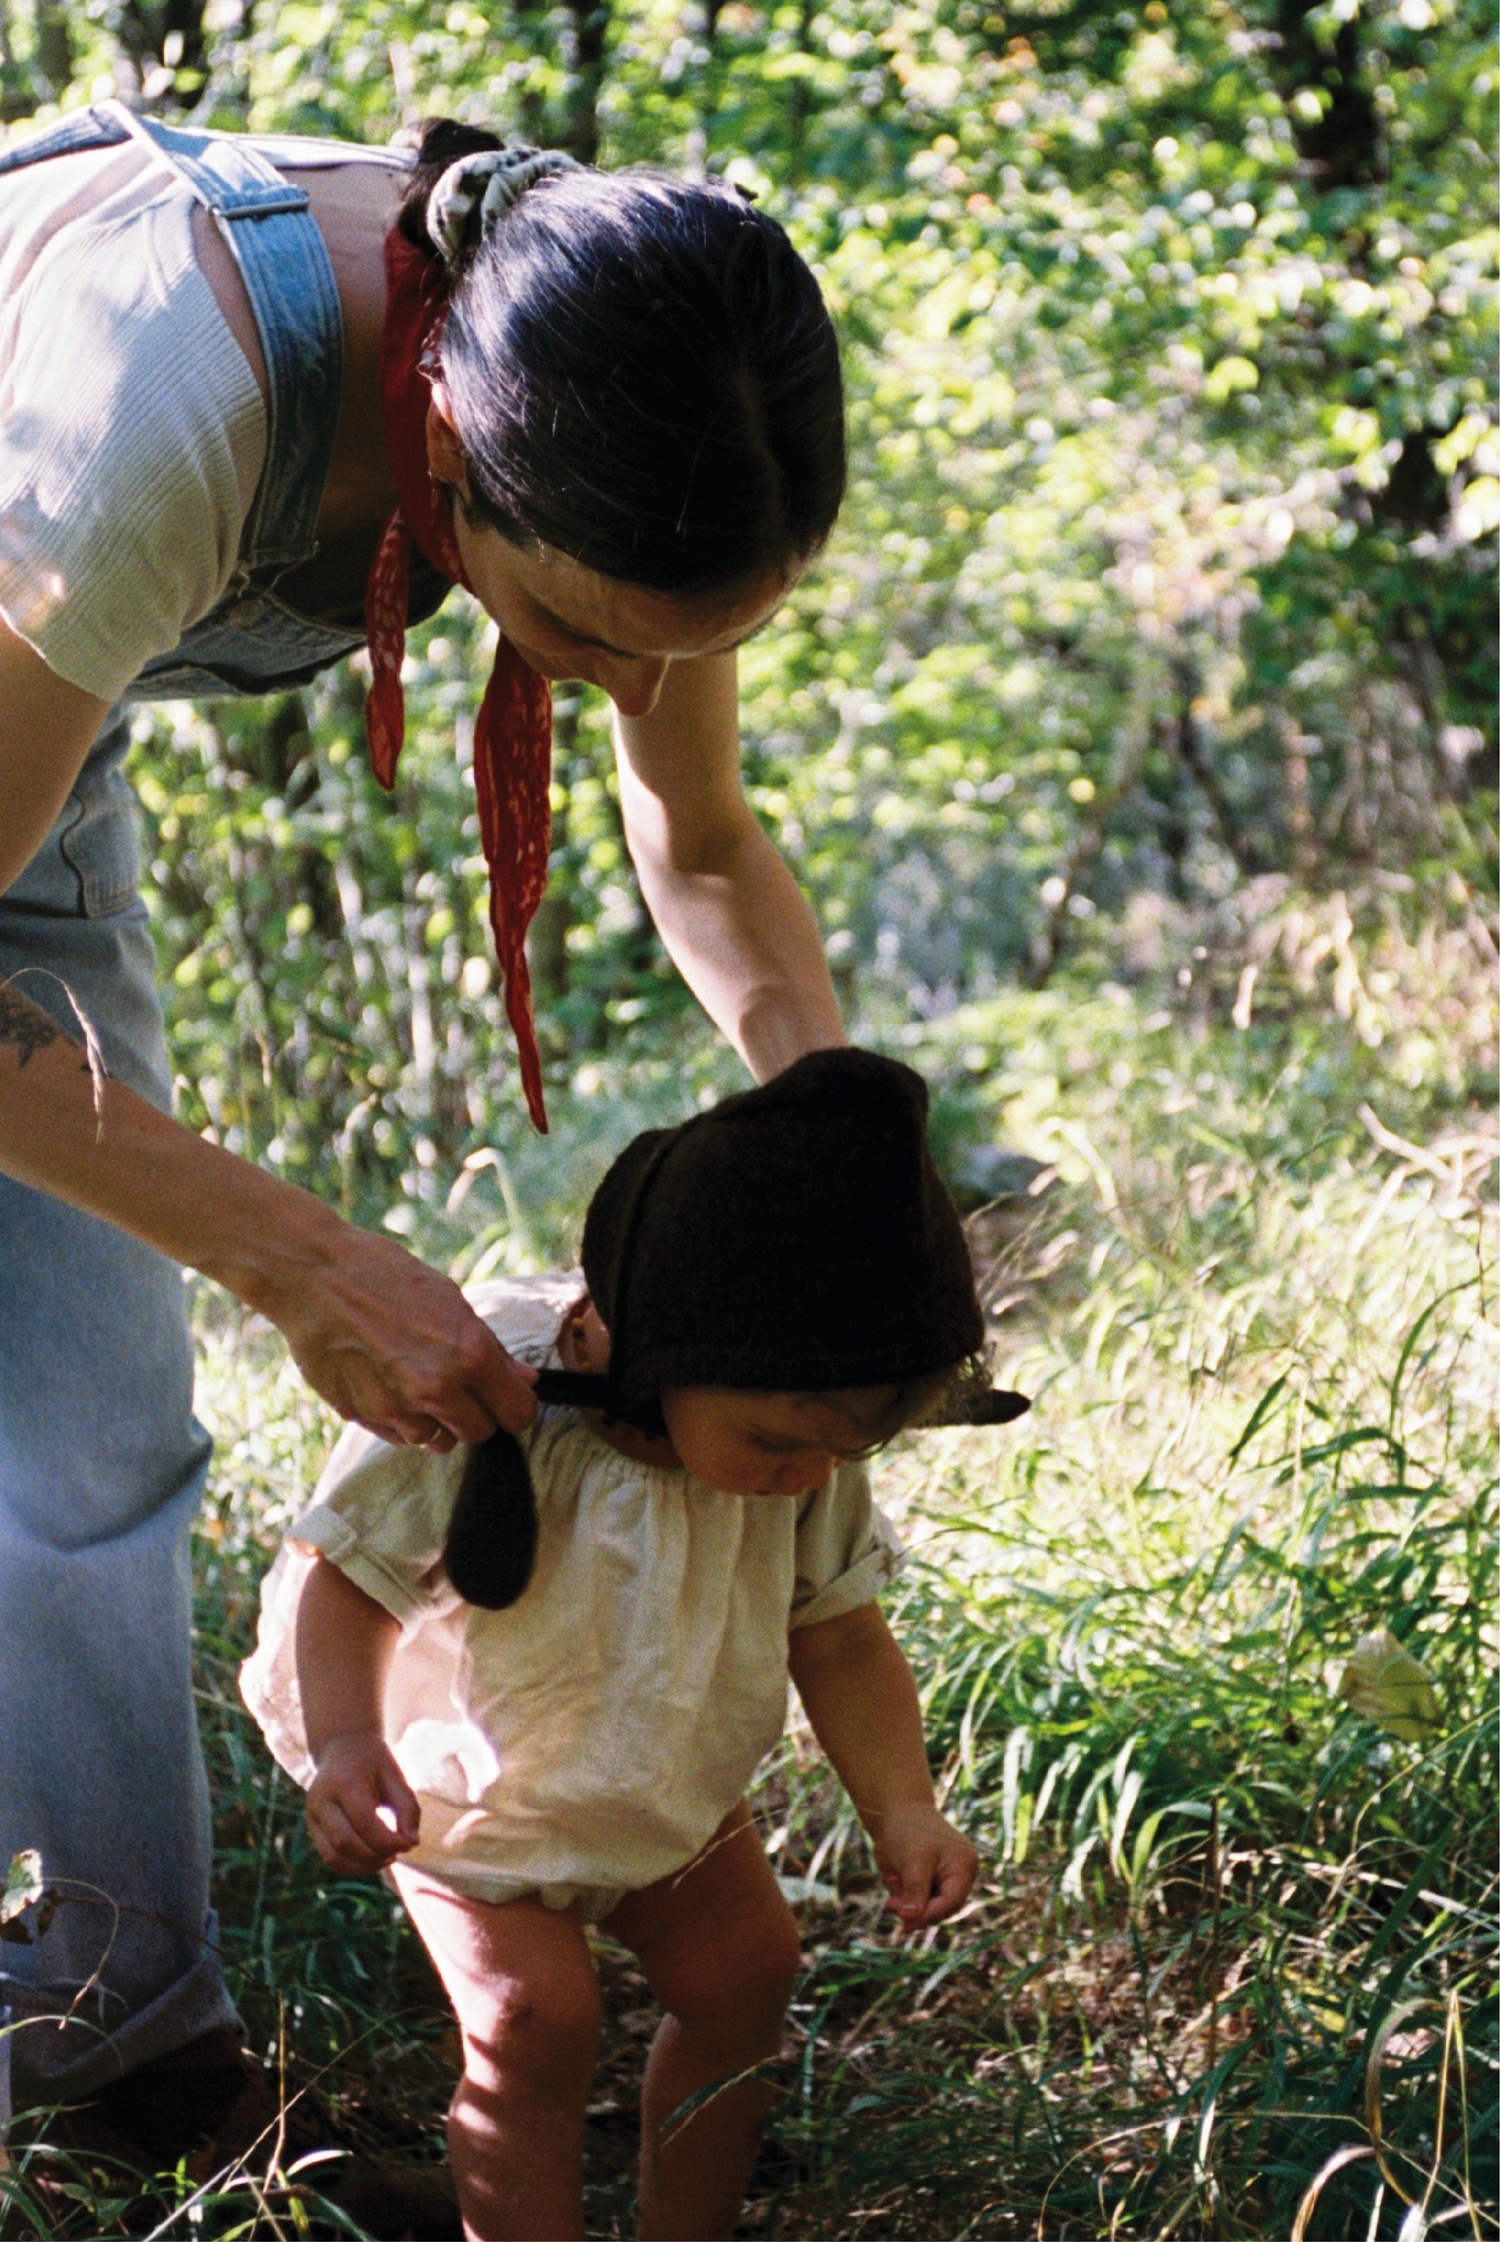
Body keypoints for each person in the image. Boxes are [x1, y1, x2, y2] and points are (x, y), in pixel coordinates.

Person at [0, 105, 846, 2152]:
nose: (640, 685)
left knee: (95, 1412)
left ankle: (113, 2030)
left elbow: (704, 833)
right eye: (583, 643)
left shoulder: (639, 376)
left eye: (696, 647)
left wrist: (833, 1129)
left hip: (37, 717)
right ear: (449, 447)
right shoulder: (155, 408)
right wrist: (306, 1260)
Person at [241, 1049, 987, 2241]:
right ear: (642, 1343)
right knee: (534, 2026)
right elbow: (349, 1580)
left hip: (666, 1788)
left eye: (845, 1454)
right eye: (780, 1442)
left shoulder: (805, 1445)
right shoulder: (483, 1394)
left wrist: (904, 1805)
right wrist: (344, 1741)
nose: (810, 1476)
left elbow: (839, 1636)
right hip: (472, 1805)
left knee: (749, 1978)